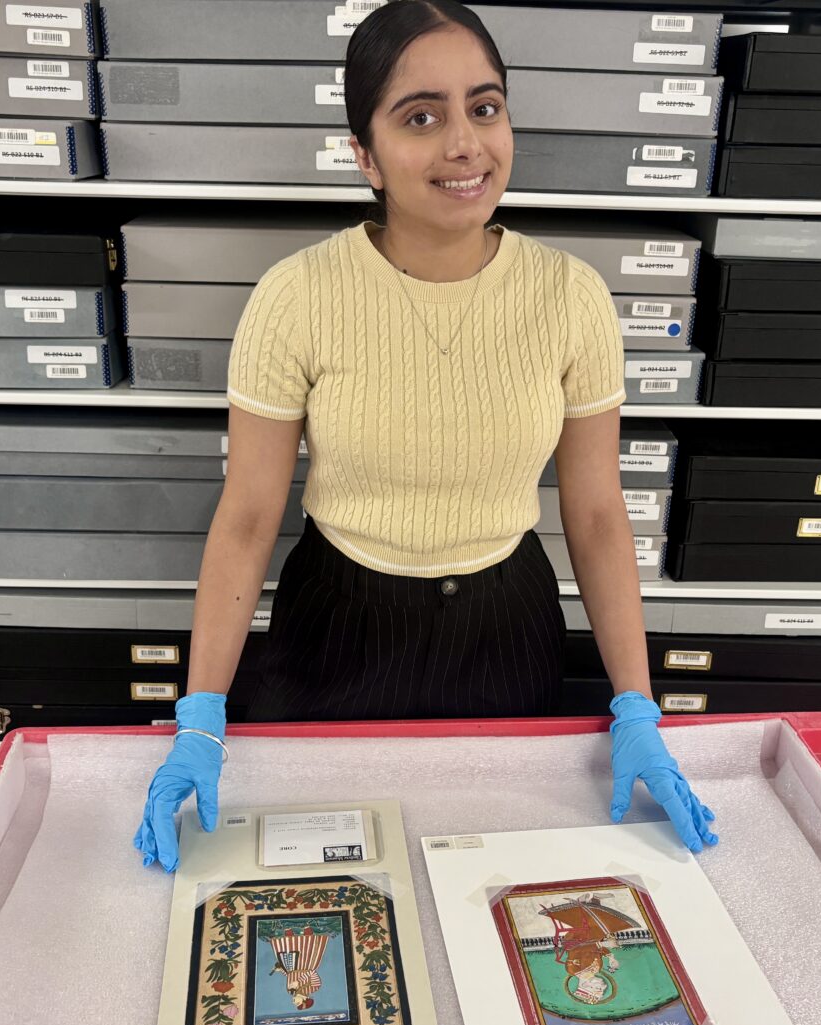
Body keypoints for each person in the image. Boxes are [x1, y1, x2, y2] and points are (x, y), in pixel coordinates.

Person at [135, 0, 718, 873]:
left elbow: (596, 514)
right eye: (421, 116)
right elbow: (250, 514)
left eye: (484, 108)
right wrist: (200, 717)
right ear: (364, 155)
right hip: (336, 623)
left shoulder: (571, 297)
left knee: (494, 880)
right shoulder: (297, 296)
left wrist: (638, 705)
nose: (464, 144)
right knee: (329, 884)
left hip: (505, 624)